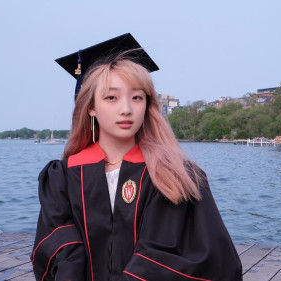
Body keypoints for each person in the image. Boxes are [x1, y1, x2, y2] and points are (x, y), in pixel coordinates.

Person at [31, 33, 242, 281]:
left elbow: (198, 256)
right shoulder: (64, 176)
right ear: (91, 107)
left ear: (147, 105)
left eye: (137, 97)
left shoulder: (174, 174)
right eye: (111, 97)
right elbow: (57, 245)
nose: (126, 109)